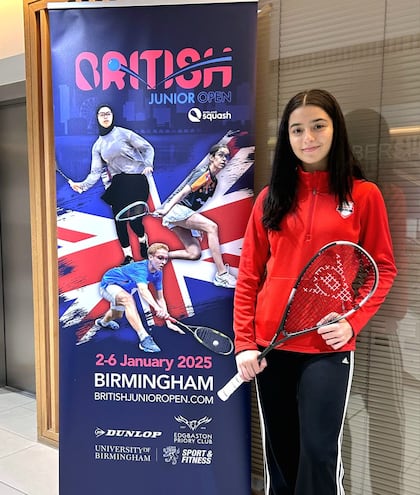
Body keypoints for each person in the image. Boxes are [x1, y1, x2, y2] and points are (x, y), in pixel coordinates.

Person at [233, 89, 397, 494]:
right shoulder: (270, 199)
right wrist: (244, 344)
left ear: (334, 129)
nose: (308, 137)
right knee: (282, 455)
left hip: (327, 347)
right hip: (270, 346)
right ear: (287, 138)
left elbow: (382, 268)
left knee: (319, 454)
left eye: (317, 126)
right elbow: (249, 276)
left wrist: (352, 322)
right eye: (297, 129)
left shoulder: (364, 195)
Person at [70, 104, 153, 264]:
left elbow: (147, 148)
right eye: (102, 114)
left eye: (108, 113)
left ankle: (143, 240)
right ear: (97, 118)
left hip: (136, 180)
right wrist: (82, 186)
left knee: (135, 222)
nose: (105, 116)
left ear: (113, 116)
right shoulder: (98, 146)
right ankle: (128, 256)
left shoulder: (124, 133)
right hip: (118, 185)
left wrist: (148, 164)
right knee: (119, 221)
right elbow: (95, 172)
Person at [153, 143, 236, 289]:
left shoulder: (214, 181)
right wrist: (166, 209)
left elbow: (195, 204)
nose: (224, 159)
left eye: (226, 156)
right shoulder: (203, 174)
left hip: (185, 212)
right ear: (211, 158)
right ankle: (222, 274)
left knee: (194, 253)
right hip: (177, 210)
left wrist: (195, 228)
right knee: (212, 227)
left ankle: (160, 256)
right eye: (221, 155)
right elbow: (183, 193)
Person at [95, 242, 183, 353]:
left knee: (116, 314)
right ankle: (144, 339)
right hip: (109, 284)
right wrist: (157, 308)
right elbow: (143, 290)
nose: (163, 262)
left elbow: (160, 298)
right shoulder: (141, 269)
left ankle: (103, 322)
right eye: (160, 258)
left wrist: (168, 322)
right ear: (150, 257)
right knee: (127, 300)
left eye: (166, 259)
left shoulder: (158, 273)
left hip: (123, 290)